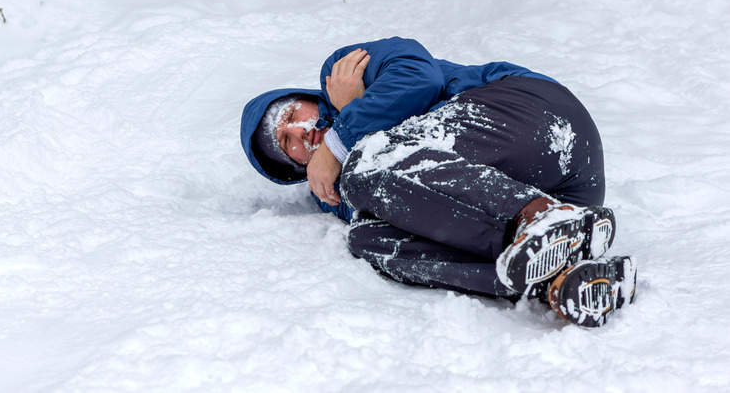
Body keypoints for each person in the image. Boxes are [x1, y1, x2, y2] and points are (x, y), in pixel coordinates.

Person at [240, 37, 637, 328]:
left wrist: (343, 134)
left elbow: (419, 75)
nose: (300, 130)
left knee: (366, 167)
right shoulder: (338, 189)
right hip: (569, 196)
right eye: (287, 142)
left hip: (532, 114)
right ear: (295, 167)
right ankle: (556, 277)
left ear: (304, 97)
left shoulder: (343, 70)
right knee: (369, 238)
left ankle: (536, 218)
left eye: (292, 113)